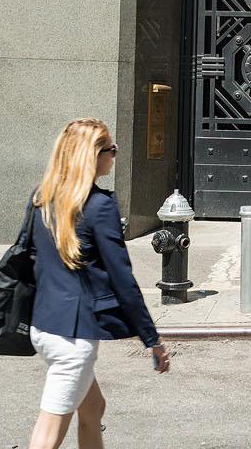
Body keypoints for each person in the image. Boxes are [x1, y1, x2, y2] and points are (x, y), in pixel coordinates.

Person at [24, 117, 170, 449]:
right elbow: (124, 281)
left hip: (44, 326)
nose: (115, 155)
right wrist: (153, 340)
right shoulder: (99, 206)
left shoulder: (41, 198)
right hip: (73, 340)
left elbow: (26, 256)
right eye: (111, 149)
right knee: (46, 437)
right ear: (93, 156)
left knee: (93, 408)